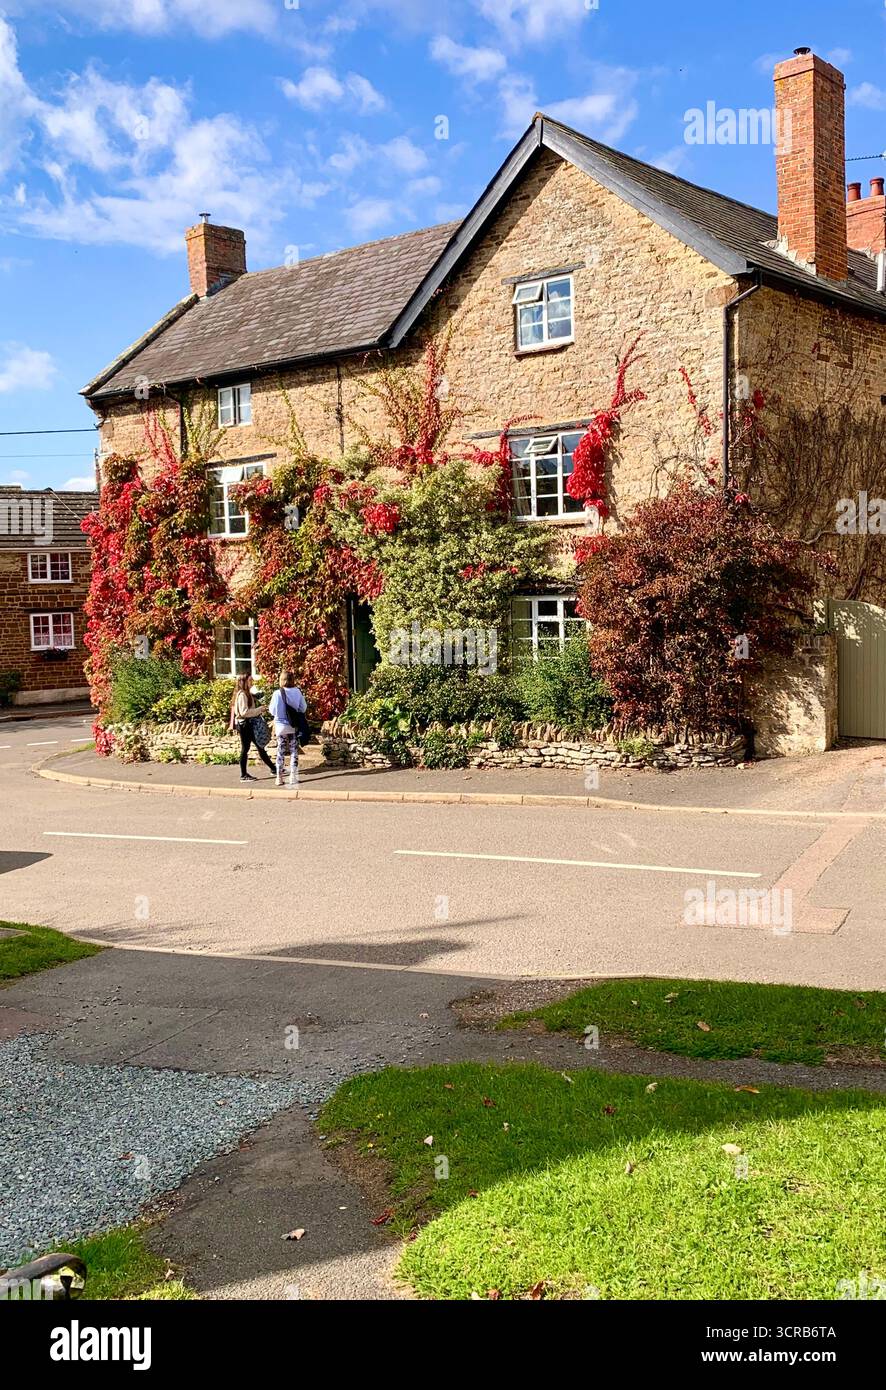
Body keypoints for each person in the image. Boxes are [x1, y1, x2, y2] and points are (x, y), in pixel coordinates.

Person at [229, 674, 275, 784]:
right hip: (244, 725)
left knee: (259, 746)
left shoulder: (246, 693)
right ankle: (243, 775)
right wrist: (259, 710)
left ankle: (274, 769)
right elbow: (243, 712)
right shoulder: (242, 695)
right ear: (243, 682)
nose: (252, 683)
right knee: (246, 749)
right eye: (250, 681)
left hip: (248, 724)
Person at [268, 670, 307, 788]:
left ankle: (279, 777)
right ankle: (293, 777)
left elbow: (272, 710)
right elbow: (303, 708)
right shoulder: (297, 692)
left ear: (281, 680)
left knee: (280, 750)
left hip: (280, 726)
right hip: (293, 725)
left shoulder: (277, 693)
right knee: (294, 750)